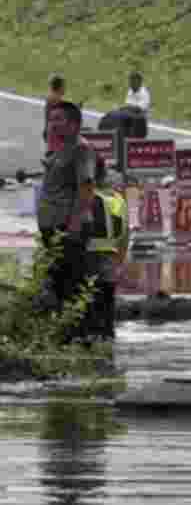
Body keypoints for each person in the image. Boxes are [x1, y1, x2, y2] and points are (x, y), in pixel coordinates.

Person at [35, 101, 99, 342]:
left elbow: (86, 187)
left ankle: (79, 335)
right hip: (53, 227)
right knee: (58, 281)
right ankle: (63, 333)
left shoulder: (81, 149)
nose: (52, 124)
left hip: (68, 228)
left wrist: (74, 224)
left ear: (73, 124)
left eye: (58, 119)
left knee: (71, 282)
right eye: (51, 119)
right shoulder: (61, 148)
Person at [81, 156, 130, 343]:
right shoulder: (118, 199)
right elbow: (125, 234)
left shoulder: (86, 198)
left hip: (88, 260)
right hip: (110, 260)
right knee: (107, 315)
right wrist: (119, 261)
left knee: (87, 312)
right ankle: (107, 346)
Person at [43, 74, 66, 157]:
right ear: (59, 87)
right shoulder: (54, 98)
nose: (65, 88)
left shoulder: (53, 97)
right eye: (63, 86)